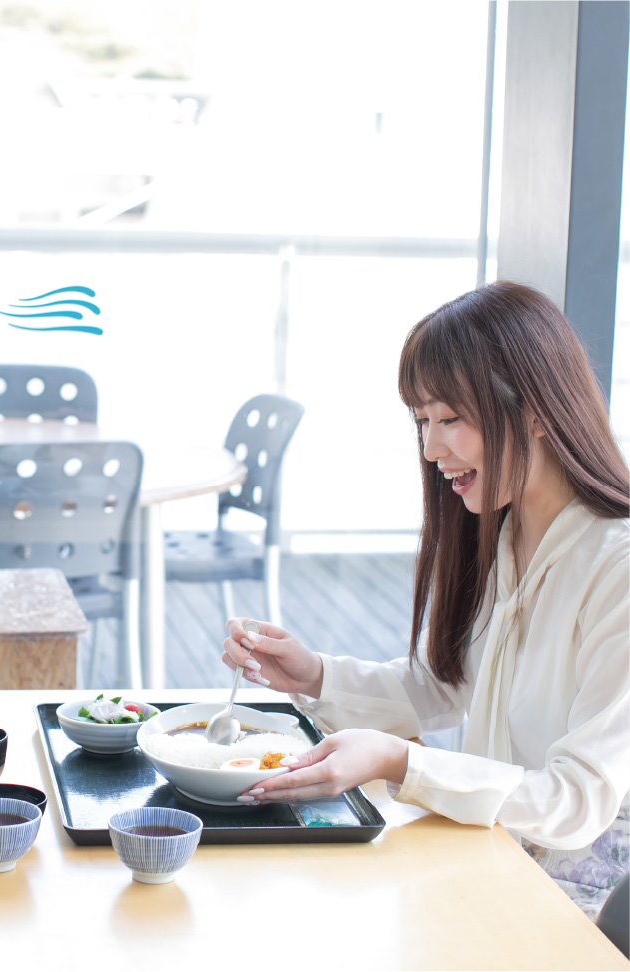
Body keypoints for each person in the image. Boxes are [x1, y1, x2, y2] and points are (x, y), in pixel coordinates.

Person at [221, 281, 629, 919]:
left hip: (579, 901)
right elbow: (450, 685)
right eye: (421, 420)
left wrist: (402, 761)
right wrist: (314, 673)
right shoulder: (507, 529)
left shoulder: (618, 566)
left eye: (451, 418)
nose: (432, 449)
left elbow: (577, 803)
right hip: (492, 856)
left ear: (538, 413)